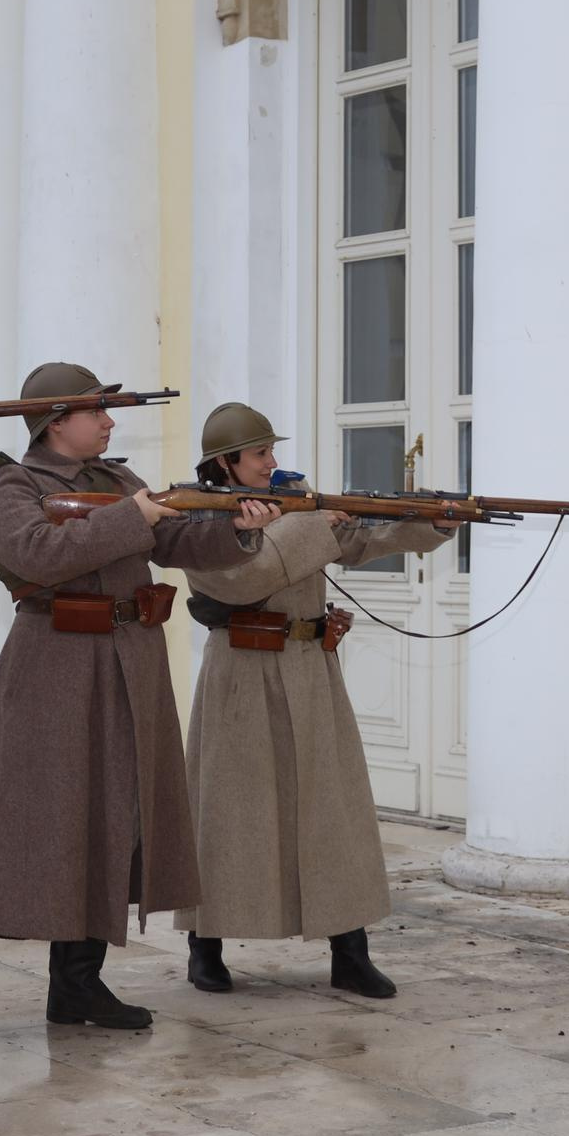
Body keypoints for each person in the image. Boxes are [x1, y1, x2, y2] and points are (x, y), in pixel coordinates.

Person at [0, 364, 273, 1051]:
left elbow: (176, 543)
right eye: (99, 412)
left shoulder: (121, 481)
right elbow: (34, 553)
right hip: (50, 666)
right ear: (56, 420)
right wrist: (130, 519)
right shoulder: (15, 484)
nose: (111, 422)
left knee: (111, 821)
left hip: (125, 666)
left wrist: (239, 524)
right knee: (9, 831)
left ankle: (77, 982)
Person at [174, 404, 455, 999]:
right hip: (240, 672)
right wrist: (317, 521)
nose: (273, 463)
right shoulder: (198, 517)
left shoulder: (294, 500)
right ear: (225, 462)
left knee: (333, 812)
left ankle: (349, 951)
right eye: (259, 455)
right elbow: (246, 579)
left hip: (309, 666)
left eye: (272, 453)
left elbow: (359, 539)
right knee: (228, 814)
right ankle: (205, 945)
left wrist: (433, 522)